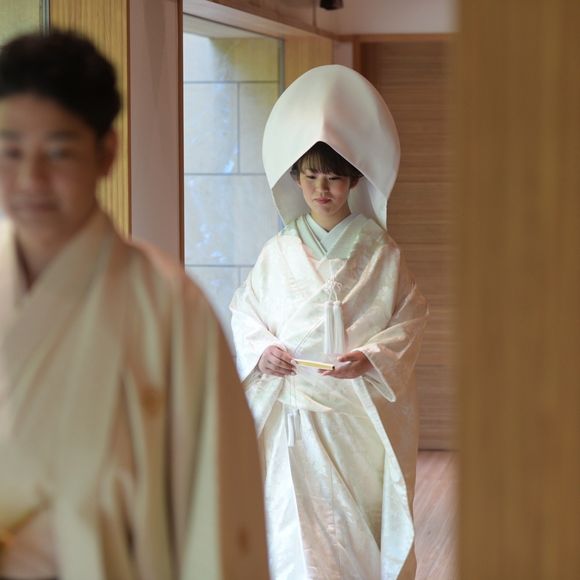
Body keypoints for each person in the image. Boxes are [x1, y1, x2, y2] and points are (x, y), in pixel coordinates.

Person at [0, 31, 269, 580]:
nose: (31, 179)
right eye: (10, 151)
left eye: (58, 151)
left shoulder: (170, 310)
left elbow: (216, 513)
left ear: (106, 152)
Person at [230, 65, 429, 579]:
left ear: (354, 179)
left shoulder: (380, 250)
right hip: (294, 413)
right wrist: (262, 350)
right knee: (295, 534)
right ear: (296, 178)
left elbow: (409, 315)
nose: (322, 188)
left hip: (353, 417)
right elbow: (245, 311)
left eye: (335, 177)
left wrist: (370, 357)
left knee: (353, 531)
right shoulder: (277, 251)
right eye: (311, 176)